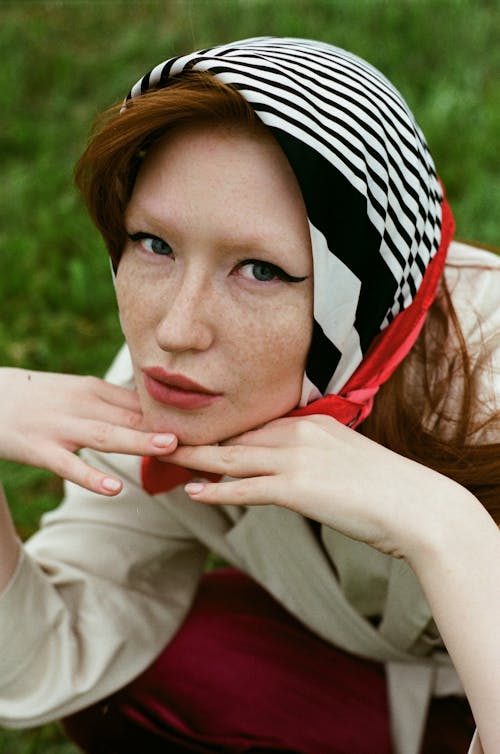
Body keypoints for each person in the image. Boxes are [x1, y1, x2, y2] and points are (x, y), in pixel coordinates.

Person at [0, 37, 498, 754]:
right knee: (151, 678)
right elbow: (40, 660)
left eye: (260, 269)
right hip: (396, 695)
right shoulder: (177, 389)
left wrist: (450, 530)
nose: (176, 329)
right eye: (153, 245)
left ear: (362, 290)